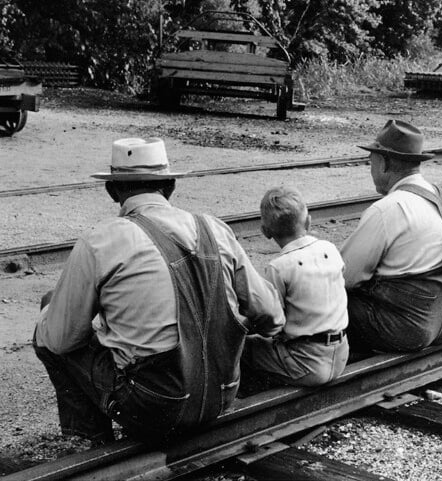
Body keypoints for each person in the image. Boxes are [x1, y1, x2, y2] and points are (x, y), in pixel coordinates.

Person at [33, 137, 285, 444]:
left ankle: (91, 442)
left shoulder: (101, 240)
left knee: (48, 327)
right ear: (171, 186)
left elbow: (61, 340)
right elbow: (271, 314)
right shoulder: (215, 229)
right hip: (221, 396)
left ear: (112, 190)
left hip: (153, 408)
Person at [340, 119, 442, 352]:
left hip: (404, 330)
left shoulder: (388, 208)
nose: (371, 169)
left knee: (325, 297)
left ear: (385, 162)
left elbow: (345, 277)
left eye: (372, 161)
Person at [240, 186, 348, 388]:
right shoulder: (330, 248)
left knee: (243, 348)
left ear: (265, 232)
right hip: (340, 354)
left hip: (307, 363)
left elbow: (271, 322)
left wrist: (243, 327)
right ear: (308, 221)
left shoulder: (279, 267)